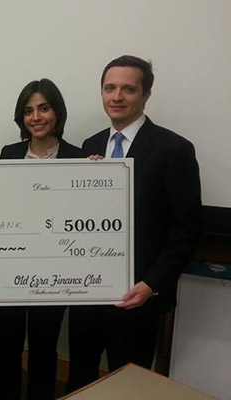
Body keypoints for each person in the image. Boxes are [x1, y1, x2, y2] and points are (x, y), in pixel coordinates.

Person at [66, 55, 202, 392]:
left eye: (128, 89)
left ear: (146, 95)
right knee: (79, 377)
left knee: (128, 386)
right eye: (109, 88)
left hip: (136, 297)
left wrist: (151, 284)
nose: (117, 96)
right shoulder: (91, 146)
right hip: (87, 293)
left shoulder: (175, 150)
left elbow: (186, 231)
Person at [0, 79, 88, 400]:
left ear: (57, 112)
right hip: (9, 273)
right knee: (6, 347)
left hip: (54, 274)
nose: (36, 117)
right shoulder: (8, 154)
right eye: (28, 110)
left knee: (44, 350)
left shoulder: (80, 158)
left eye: (44, 108)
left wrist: (104, 180)